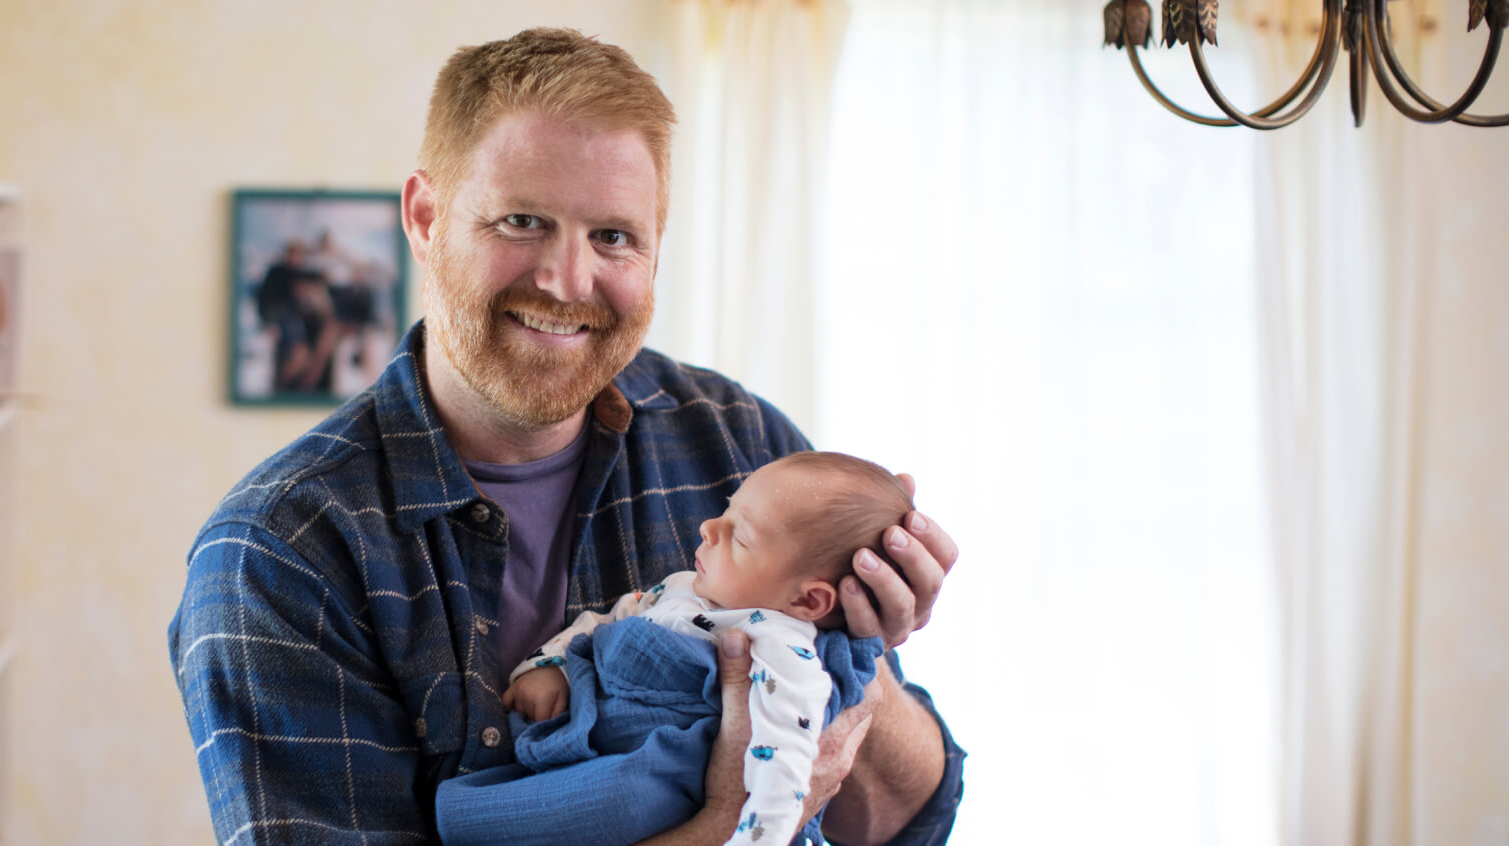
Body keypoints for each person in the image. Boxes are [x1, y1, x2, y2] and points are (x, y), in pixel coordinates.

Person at [169, 27, 965, 846]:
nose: (567, 281)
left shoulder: (744, 443)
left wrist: (862, 654)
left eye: (613, 236)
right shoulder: (279, 557)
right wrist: (726, 826)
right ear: (426, 218)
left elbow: (906, 822)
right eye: (522, 221)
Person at [436, 452, 913, 846]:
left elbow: (787, 758)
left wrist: (754, 835)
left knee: (620, 798)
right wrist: (552, 665)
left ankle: (486, 820)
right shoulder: (684, 587)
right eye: (726, 510)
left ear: (808, 600)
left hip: (669, 757)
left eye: (739, 536)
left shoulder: (787, 648)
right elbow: (610, 618)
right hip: (603, 722)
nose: (709, 527)